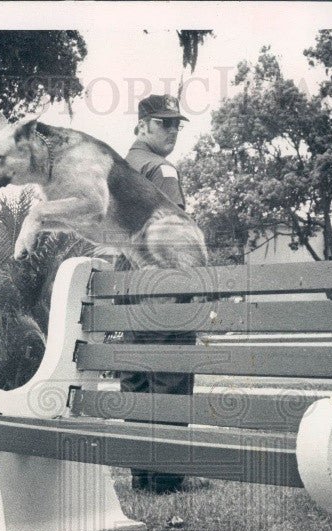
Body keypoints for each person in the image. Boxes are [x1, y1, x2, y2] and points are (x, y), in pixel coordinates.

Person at [123, 94, 194, 494]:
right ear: (143, 125)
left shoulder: (120, 166)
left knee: (136, 380)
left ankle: (141, 477)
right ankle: (165, 480)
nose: (172, 131)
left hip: (127, 294)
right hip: (163, 289)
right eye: (164, 123)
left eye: (176, 124)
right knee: (169, 378)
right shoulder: (161, 169)